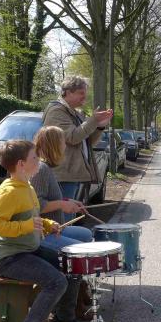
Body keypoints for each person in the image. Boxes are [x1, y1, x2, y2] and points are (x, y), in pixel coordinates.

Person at [0, 140, 83, 322]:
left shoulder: (26, 187)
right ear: (21, 164)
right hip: (8, 259)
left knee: (72, 263)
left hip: (29, 249)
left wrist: (46, 224)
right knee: (56, 281)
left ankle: (63, 320)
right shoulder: (8, 192)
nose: (39, 161)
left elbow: (32, 217)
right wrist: (26, 227)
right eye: (34, 158)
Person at [42, 76, 113, 220]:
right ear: (68, 92)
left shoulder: (74, 113)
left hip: (71, 175)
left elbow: (87, 142)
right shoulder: (56, 111)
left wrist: (99, 126)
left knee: (68, 216)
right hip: (62, 175)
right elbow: (73, 137)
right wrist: (93, 120)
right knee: (63, 219)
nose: (84, 97)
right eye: (81, 93)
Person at [32, 126, 93, 247]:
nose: (65, 146)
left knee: (87, 234)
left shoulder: (46, 167)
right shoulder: (41, 169)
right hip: (42, 233)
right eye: (63, 142)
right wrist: (62, 204)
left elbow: (47, 197)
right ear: (54, 146)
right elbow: (36, 205)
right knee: (83, 249)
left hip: (55, 228)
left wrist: (67, 201)